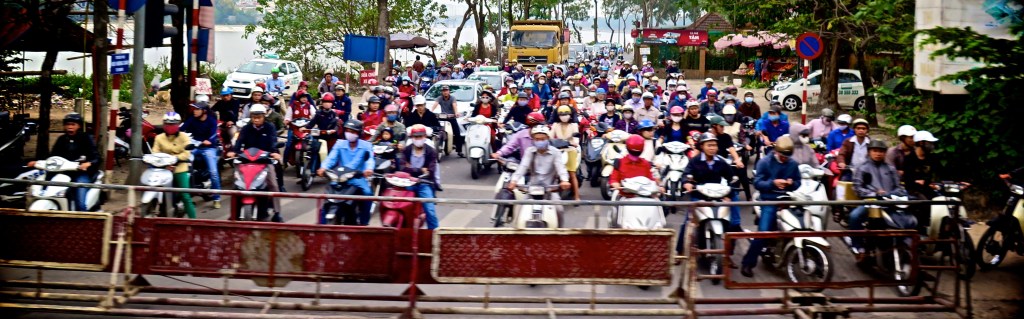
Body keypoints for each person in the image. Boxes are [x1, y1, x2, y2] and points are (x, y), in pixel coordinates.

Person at [741, 136, 801, 277]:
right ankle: (748, 263)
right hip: (769, 199)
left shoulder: (793, 164)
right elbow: (757, 183)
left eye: (787, 157)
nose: (785, 159)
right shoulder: (764, 162)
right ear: (776, 152)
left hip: (787, 199)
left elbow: (798, 182)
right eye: (782, 156)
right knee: (763, 232)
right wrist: (773, 183)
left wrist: (791, 183)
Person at [680, 133, 740, 255]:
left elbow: (732, 178)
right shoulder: (695, 161)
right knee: (688, 223)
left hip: (718, 195)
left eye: (714, 145)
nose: (712, 148)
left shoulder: (721, 162)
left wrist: (728, 193)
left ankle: (729, 254)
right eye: (709, 145)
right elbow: (686, 174)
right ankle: (679, 251)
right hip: (699, 195)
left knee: (733, 223)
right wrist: (687, 183)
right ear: (702, 146)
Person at [847, 140, 908, 259]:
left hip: (890, 202)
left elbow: (899, 187)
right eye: (875, 151)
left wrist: (890, 194)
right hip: (870, 202)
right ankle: (858, 247)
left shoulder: (890, 168)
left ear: (885, 153)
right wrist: (874, 194)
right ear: (869, 152)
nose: (878, 154)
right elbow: (857, 188)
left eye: (881, 151)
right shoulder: (862, 168)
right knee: (854, 216)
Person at [25, 113, 100, 211]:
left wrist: (88, 163)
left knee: (80, 204)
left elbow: (96, 157)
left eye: (73, 124)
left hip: (80, 173)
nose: (70, 127)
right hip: (62, 173)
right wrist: (37, 162)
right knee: (40, 188)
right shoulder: (61, 139)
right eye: (68, 124)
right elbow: (52, 157)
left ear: (79, 126)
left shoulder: (86, 138)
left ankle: (82, 217)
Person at [507, 126, 572, 225]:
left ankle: (559, 233)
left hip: (550, 189)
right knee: (519, 210)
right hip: (531, 188)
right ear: (533, 140)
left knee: (559, 209)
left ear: (548, 138)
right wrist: (514, 180)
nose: (540, 141)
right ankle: (518, 232)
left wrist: (564, 180)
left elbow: (561, 168)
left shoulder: (555, 152)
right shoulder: (530, 151)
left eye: (542, 139)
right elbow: (523, 166)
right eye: (537, 139)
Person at [228, 105, 284, 215]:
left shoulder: (270, 127)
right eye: (254, 117)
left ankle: (277, 213)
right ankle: (234, 214)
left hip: (265, 161)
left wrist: (274, 153)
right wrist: (234, 151)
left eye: (259, 117)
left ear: (264, 116)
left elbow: (273, 141)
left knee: (273, 185)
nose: (256, 120)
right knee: (236, 186)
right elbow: (239, 142)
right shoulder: (246, 128)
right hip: (247, 161)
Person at [318, 120, 375, 225]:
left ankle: (364, 223)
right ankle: (320, 227)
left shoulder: (366, 145)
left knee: (368, 193)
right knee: (326, 198)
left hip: (357, 178)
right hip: (340, 178)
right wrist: (323, 168)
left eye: (353, 132)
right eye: (348, 131)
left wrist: (369, 169)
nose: (349, 134)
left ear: (359, 133)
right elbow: (331, 158)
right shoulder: (339, 144)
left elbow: (369, 160)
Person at [151, 112, 198, 218]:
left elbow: (186, 153)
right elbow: (155, 152)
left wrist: (176, 159)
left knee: (185, 196)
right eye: (168, 124)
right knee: (151, 187)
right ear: (164, 125)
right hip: (163, 169)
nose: (170, 126)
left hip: (180, 168)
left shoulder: (184, 137)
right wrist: (162, 163)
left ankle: (193, 221)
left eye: (173, 124)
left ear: (178, 124)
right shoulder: (159, 138)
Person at [395, 125, 441, 229]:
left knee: (430, 210)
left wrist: (411, 169)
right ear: (411, 138)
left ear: (425, 137)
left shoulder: (431, 151)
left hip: (424, 183)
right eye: (415, 137)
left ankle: (434, 233)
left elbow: (431, 171)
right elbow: (402, 168)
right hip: (408, 183)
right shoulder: (406, 150)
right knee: (399, 205)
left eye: (420, 136)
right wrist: (420, 170)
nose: (418, 139)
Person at [179, 102, 222, 208]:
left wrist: (208, 141)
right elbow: (181, 129)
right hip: (194, 147)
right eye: (194, 109)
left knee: (213, 172)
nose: (195, 111)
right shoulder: (192, 119)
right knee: (183, 166)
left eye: (197, 109)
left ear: (204, 111)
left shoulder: (211, 121)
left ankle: (216, 198)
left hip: (208, 148)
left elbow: (213, 135)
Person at [551, 105, 582, 200]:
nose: (564, 116)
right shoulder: (555, 125)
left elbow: (576, 139)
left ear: (570, 115)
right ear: (558, 115)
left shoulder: (574, 125)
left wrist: (574, 143)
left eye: (566, 114)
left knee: (572, 174)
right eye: (561, 114)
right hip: (558, 151)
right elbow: (550, 137)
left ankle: (577, 197)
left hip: (570, 150)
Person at [303, 94, 341, 166]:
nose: (327, 104)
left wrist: (334, 130)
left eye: (329, 102)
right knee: (314, 149)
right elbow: (312, 123)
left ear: (332, 103)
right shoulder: (318, 113)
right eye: (325, 102)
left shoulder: (334, 114)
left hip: (331, 137)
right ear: (322, 103)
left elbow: (337, 124)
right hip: (321, 136)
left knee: (333, 153)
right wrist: (305, 128)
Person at [902, 131, 939, 198]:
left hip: (929, 190)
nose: (932, 146)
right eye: (929, 143)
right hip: (914, 192)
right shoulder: (909, 159)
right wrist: (917, 182)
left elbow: (934, 176)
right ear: (921, 143)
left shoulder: (932, 158)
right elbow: (907, 180)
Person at [284, 91, 316, 168]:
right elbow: (288, 116)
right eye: (302, 97)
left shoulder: (309, 106)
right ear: (299, 98)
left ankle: (311, 162)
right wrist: (287, 121)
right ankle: (284, 161)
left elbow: (314, 115)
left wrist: (314, 120)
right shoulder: (292, 105)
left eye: (306, 97)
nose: (305, 99)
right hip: (293, 128)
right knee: (288, 144)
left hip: (305, 128)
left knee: (313, 143)